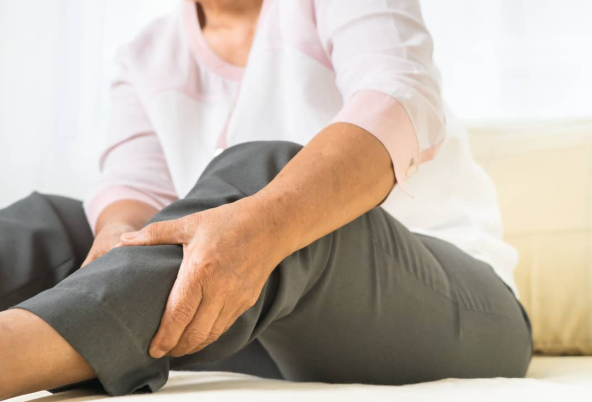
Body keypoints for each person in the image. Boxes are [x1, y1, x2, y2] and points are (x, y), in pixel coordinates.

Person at [0, 0, 533, 399]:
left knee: (269, 181)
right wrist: (117, 235)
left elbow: (399, 96)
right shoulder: (144, 54)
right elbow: (135, 187)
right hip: (255, 328)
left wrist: (262, 223)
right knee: (55, 225)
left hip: (454, 307)